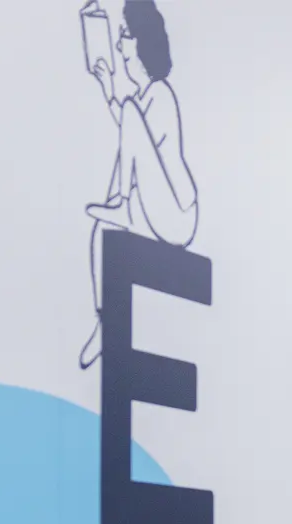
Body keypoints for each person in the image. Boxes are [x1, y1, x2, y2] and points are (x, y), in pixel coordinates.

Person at [79, 0, 198, 370]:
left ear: (142, 43)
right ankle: (105, 319)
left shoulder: (161, 95)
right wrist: (105, 83)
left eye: (124, 38)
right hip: (153, 207)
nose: (119, 48)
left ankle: (123, 203)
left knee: (129, 112)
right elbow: (130, 134)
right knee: (101, 230)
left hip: (176, 213)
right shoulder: (144, 100)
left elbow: (135, 135)